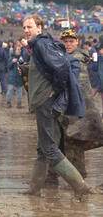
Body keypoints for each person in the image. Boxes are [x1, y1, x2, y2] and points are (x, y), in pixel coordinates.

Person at [20, 15, 92, 201]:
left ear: (40, 27)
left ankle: (80, 186)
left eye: (30, 27)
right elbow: (48, 68)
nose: (26, 30)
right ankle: (34, 189)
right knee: (43, 148)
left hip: (45, 103)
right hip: (44, 102)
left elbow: (61, 67)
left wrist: (56, 89)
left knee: (49, 148)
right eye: (24, 27)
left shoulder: (42, 44)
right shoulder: (39, 45)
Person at [56, 29, 103, 179]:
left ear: (77, 42)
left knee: (73, 145)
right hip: (68, 112)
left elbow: (76, 87)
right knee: (59, 144)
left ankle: (79, 181)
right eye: (65, 41)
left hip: (76, 114)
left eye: (71, 41)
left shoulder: (76, 60)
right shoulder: (63, 58)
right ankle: (55, 179)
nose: (68, 44)